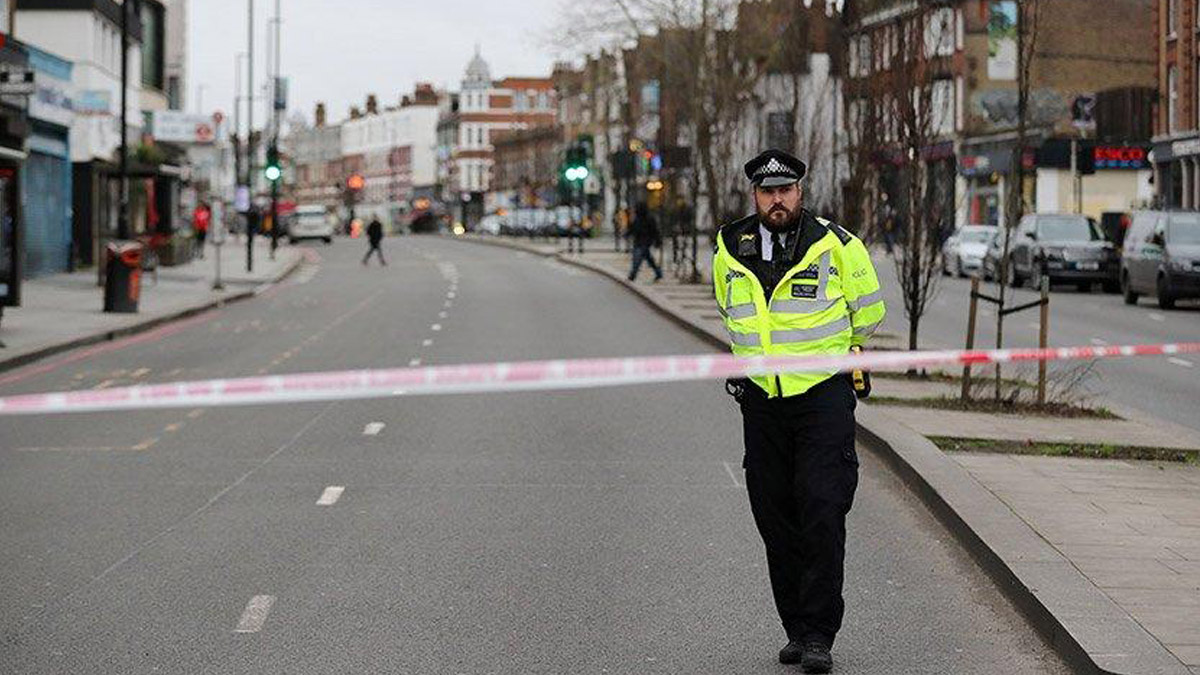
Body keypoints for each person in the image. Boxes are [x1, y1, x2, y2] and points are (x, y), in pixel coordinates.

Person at [713, 149, 886, 673]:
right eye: (768, 193)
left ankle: (818, 634)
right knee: (775, 515)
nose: (778, 200)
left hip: (822, 398)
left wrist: (842, 356)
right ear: (756, 197)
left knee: (822, 508)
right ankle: (794, 627)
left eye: (786, 191)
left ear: (800, 193)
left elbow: (869, 312)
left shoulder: (835, 244)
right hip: (762, 403)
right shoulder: (729, 246)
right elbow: (730, 311)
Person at [627, 202, 663, 282]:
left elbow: (655, 230)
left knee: (637, 258)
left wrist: (657, 240)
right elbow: (632, 229)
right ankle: (658, 273)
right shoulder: (638, 218)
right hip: (641, 242)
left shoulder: (648, 218)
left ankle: (632, 275)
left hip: (644, 242)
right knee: (649, 259)